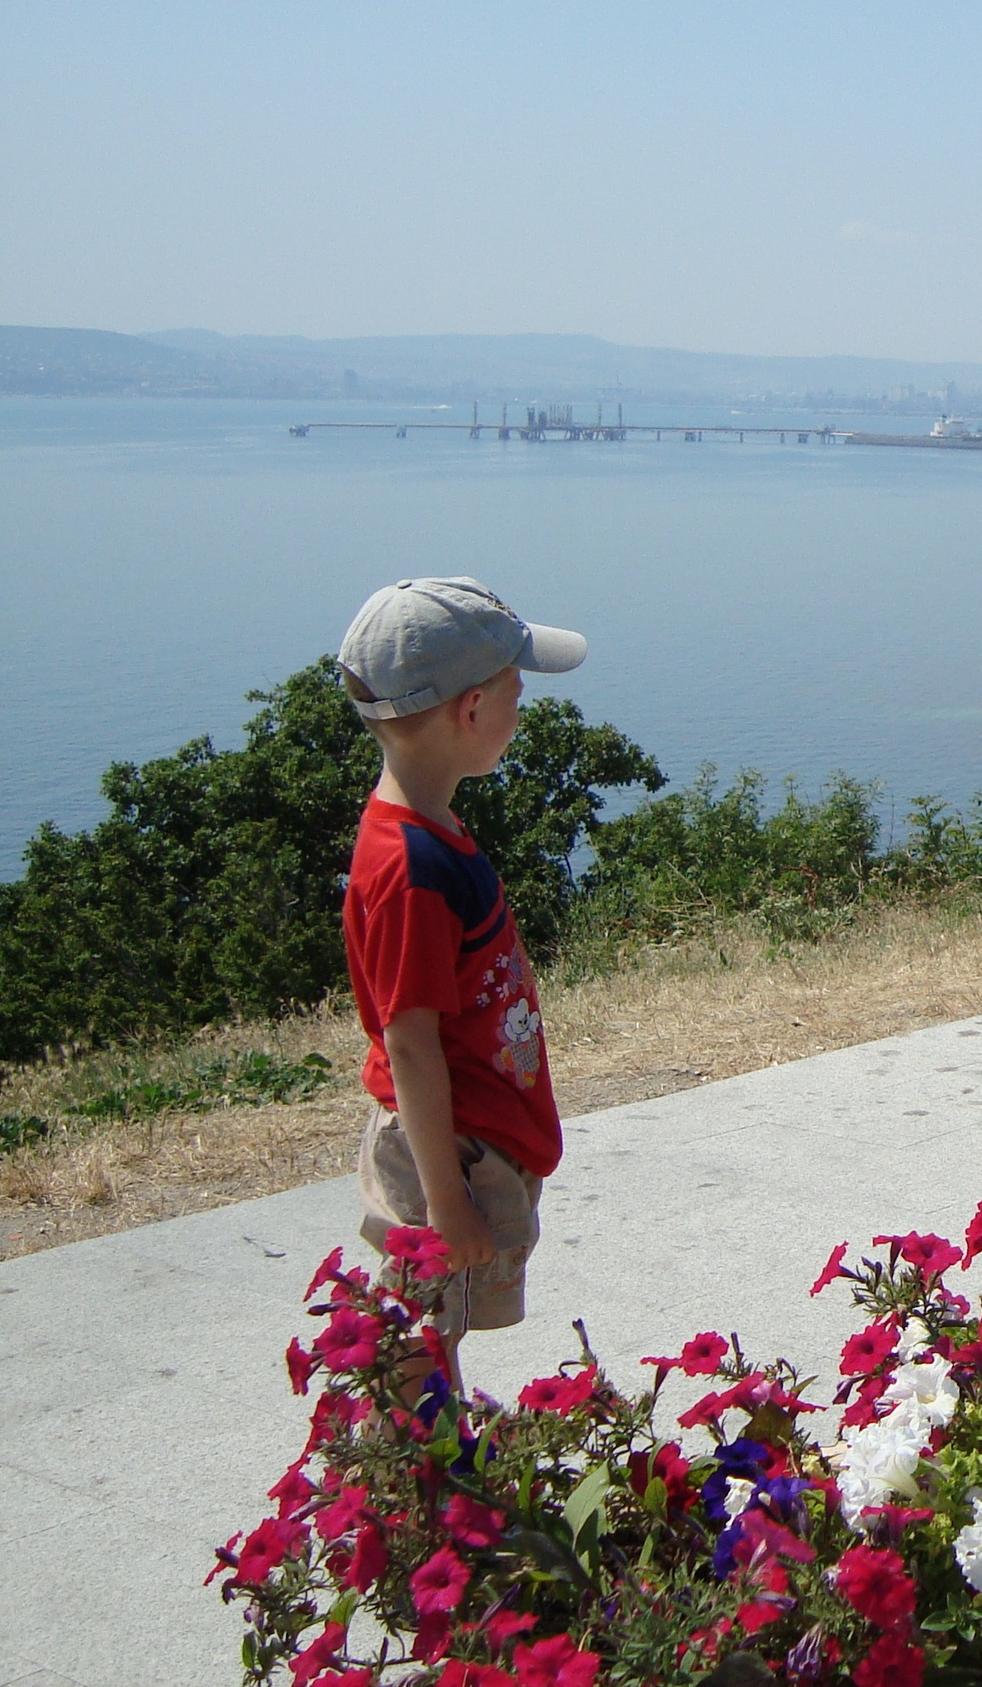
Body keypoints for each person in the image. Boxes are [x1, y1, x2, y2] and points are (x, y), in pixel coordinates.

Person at [337, 575, 588, 1385]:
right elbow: (409, 1043)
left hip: (468, 1138)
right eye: (517, 692)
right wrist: (446, 1203)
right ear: (471, 709)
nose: (523, 709)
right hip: (447, 1152)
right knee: (419, 1339)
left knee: (431, 1336)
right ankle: (408, 1459)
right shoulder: (412, 868)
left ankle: (427, 1450)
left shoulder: (427, 828)